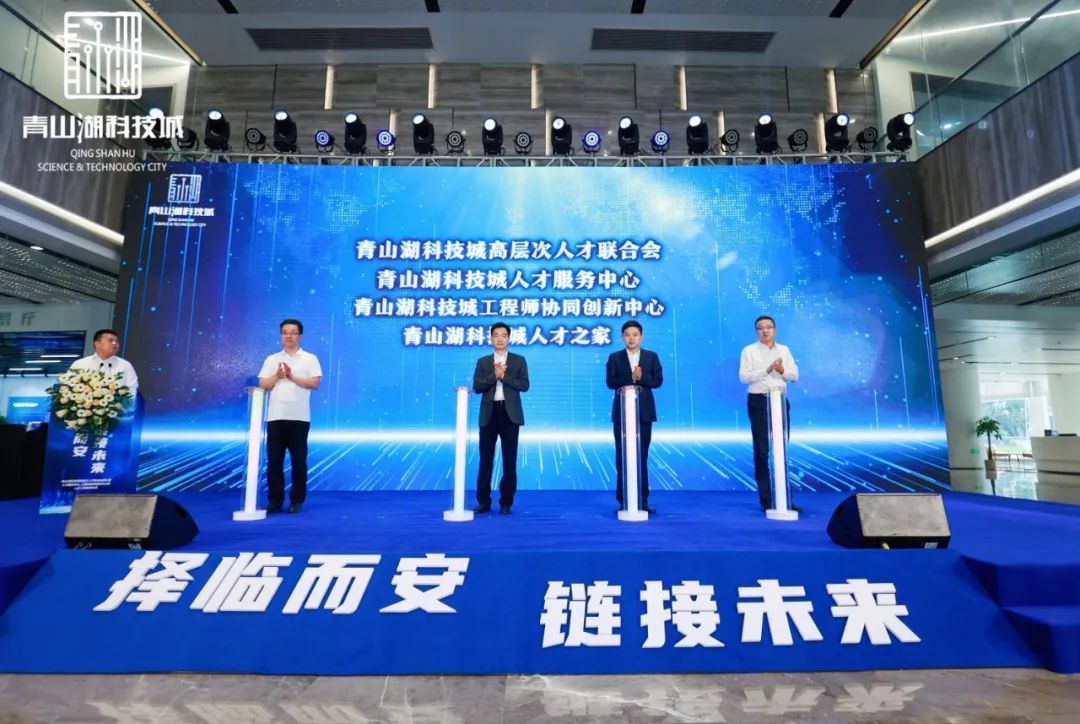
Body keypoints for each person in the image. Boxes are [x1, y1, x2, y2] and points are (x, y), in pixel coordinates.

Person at [258, 319, 322, 514]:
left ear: (299, 336)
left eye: (293, 332)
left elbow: (314, 384)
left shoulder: (310, 358)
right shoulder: (272, 359)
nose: (289, 336)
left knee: (299, 462)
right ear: (280, 335)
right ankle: (275, 500)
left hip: (299, 418)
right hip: (275, 417)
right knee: (274, 462)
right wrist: (278, 376)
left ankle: (297, 500)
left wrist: (292, 376)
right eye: (285, 332)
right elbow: (263, 384)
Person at [739, 315, 799, 511]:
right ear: (756, 331)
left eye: (768, 327)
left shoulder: (784, 350)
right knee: (762, 450)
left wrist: (781, 370)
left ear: (774, 329)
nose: (765, 331)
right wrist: (767, 369)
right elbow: (744, 377)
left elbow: (794, 376)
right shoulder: (749, 351)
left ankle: (785, 499)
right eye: (760, 328)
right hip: (759, 401)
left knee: (781, 449)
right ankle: (766, 499)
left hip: (779, 400)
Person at [472, 321, 530, 515]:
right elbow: (477, 387)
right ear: (491, 339)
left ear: (509, 338)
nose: (500, 339)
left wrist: (504, 377)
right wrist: (494, 376)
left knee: (509, 461)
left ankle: (506, 502)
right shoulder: (483, 362)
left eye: (503, 335)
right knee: (485, 461)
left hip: (510, 415)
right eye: (496, 335)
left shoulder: (518, 360)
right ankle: (484, 502)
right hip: (489, 414)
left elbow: (524, 385)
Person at [607, 320, 663, 514]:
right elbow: (610, 382)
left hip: (644, 413)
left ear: (641, 336)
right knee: (622, 456)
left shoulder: (651, 356)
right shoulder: (615, 357)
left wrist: (641, 378)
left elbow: (658, 381)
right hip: (622, 415)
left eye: (635, 334)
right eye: (627, 335)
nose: (631, 338)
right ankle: (623, 500)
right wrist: (630, 378)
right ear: (622, 337)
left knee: (642, 456)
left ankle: (642, 500)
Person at [70, 329, 139, 394]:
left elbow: (132, 390)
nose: (114, 343)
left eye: (117, 341)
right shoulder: (80, 364)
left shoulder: (125, 365)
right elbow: (69, 386)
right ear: (97, 344)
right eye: (110, 340)